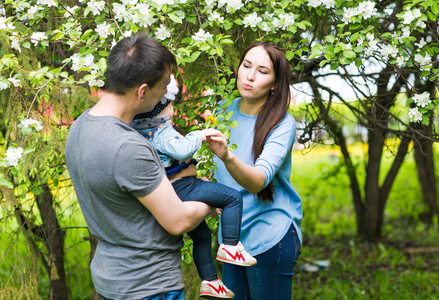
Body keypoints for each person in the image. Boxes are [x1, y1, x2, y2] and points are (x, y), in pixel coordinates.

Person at [65, 34, 215, 300]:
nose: (166, 97)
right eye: (164, 88)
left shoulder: (79, 127)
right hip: (149, 286)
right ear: (143, 91)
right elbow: (178, 220)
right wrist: (211, 196)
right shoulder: (128, 147)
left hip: (110, 279)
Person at [131, 75, 257, 299]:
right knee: (233, 198)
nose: (172, 108)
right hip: (183, 187)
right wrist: (199, 135)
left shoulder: (141, 130)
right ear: (159, 109)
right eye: (169, 104)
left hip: (171, 190)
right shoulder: (160, 130)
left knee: (201, 236)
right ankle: (230, 245)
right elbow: (181, 151)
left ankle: (210, 281)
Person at [206, 41, 303, 300]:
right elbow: (209, 170)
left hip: (271, 236)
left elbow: (258, 181)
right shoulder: (222, 112)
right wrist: (212, 192)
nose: (249, 76)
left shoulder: (282, 123)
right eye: (246, 66)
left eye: (262, 71)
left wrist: (227, 156)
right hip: (233, 239)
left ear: (274, 83)